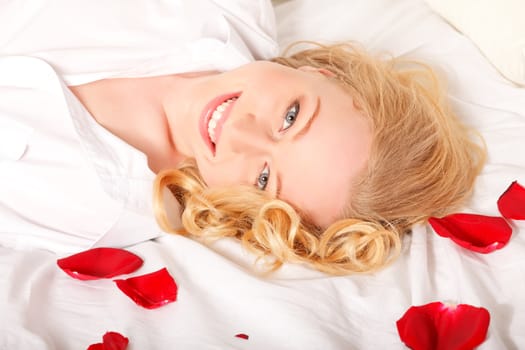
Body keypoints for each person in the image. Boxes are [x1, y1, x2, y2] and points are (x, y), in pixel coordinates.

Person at [0, 1, 484, 275]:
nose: (242, 135)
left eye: (264, 177)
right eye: (291, 116)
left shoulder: (89, 209)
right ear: (324, 72)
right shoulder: (220, 11)